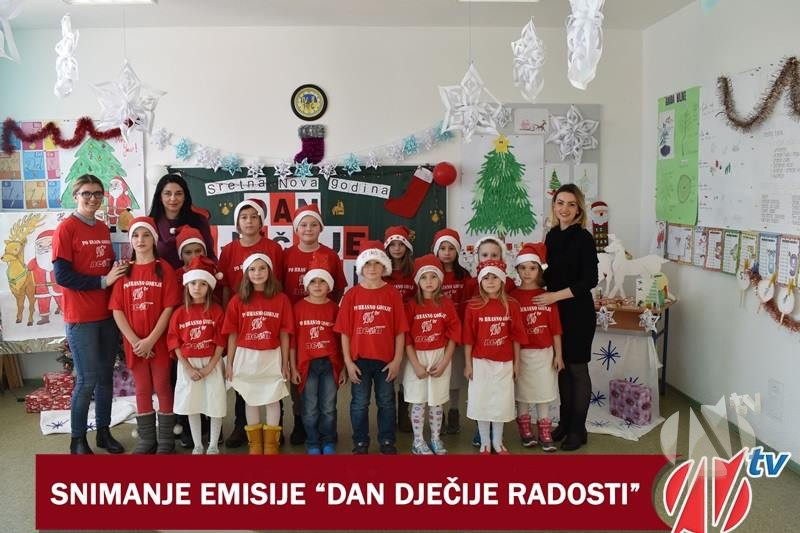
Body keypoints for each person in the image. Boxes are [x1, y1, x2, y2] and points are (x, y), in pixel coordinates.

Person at [52, 174, 128, 455]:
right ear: (76, 196)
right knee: (87, 380)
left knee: (106, 377)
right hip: (81, 317)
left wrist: (116, 272)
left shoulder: (101, 227)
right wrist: (103, 281)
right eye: (87, 193)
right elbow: (62, 276)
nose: (93, 198)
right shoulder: (66, 228)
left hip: (106, 314)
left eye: (97, 193)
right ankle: (77, 440)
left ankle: (104, 433)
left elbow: (104, 265)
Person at [109, 217, 182, 454]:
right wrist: (135, 341)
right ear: (131, 240)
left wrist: (150, 340)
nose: (140, 240)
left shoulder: (164, 269)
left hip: (158, 341)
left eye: (146, 235)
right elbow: (117, 309)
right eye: (136, 235)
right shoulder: (125, 271)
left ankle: (166, 439)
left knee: (162, 386)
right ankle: (147, 439)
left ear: (154, 239)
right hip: (135, 344)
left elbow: (169, 308)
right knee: (141, 388)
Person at [535, 184, 599, 451]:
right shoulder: (551, 236)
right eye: (560, 203)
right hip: (556, 312)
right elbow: (550, 275)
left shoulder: (584, 238)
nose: (565, 208)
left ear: (579, 209)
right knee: (561, 368)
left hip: (578, 312)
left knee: (577, 369)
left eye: (571, 204)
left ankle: (578, 428)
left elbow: (590, 280)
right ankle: (564, 422)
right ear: (554, 206)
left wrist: (555, 296)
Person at [219, 198, 286, 449]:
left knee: (273, 387)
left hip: (269, 326)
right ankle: (242, 427)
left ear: (261, 221)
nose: (249, 221)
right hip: (243, 327)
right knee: (244, 385)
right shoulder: (229, 250)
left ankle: (275, 433)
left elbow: (279, 283)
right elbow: (226, 288)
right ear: (237, 222)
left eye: (254, 216)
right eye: (244, 217)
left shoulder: (274, 248)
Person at [334, 241, 409, 455]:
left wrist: (397, 360)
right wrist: (348, 362)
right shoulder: (351, 295)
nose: (372, 268)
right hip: (359, 361)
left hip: (386, 361)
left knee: (386, 402)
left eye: (377, 263)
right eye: (367, 263)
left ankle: (387, 440)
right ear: (361, 267)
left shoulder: (392, 294)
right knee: (359, 403)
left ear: (384, 266)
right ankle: (360, 442)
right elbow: (344, 332)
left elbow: (400, 331)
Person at [281, 204, 347, 446]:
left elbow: (338, 289)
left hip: (321, 321)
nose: (308, 229)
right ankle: (300, 423)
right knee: (300, 380)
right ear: (296, 229)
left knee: (326, 393)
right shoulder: (286, 254)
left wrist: (323, 307)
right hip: (295, 323)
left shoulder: (331, 255)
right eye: (303, 224)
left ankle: (325, 431)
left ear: (321, 228)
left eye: (313, 224)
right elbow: (279, 286)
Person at [223, 253, 294, 455]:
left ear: (270, 271)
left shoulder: (281, 299)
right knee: (250, 399)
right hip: (246, 357)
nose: (257, 273)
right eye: (252, 269)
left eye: (262, 268)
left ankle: (271, 445)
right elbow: (232, 335)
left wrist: (286, 363)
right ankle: (255, 444)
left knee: (272, 399)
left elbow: (285, 334)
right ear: (246, 273)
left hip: (272, 356)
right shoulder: (238, 300)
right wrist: (230, 363)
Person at [463, 259, 527, 455]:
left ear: (502, 280)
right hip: (480, 362)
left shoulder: (512, 305)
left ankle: (498, 441)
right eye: (486, 278)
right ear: (480, 281)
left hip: (504, 362)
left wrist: (517, 363)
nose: (490, 282)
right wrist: (468, 364)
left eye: (495, 277)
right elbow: (468, 338)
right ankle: (485, 442)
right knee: (481, 401)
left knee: (501, 402)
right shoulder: (473, 306)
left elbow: (516, 337)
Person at [167, 256, 227, 455]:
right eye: (193, 283)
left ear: (209, 287)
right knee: (192, 404)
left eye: (203, 283)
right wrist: (188, 367)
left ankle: (213, 444)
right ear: (187, 285)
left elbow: (221, 341)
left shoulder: (216, 311)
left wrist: (210, 366)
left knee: (215, 403)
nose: (197, 288)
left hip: (212, 363)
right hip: (188, 365)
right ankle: (198, 444)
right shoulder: (179, 313)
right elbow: (174, 342)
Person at [403, 254, 461, 455]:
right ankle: (418, 441)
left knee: (437, 402)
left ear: (440, 280)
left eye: (433, 276)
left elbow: (454, 334)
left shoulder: (446, 304)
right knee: (418, 401)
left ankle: (435, 438)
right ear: (417, 280)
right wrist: (416, 365)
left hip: (439, 356)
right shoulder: (411, 305)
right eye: (424, 277)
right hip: (417, 358)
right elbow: (406, 338)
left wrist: (445, 362)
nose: (429, 281)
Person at [510, 243, 565, 452]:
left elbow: (555, 329)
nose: (527, 272)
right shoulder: (513, 297)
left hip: (544, 354)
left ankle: (544, 431)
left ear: (539, 270)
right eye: (523, 268)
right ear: (517, 270)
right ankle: (525, 429)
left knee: (544, 392)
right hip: (522, 354)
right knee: (523, 394)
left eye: (532, 268)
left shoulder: (547, 297)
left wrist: (558, 355)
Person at [289, 253, 344, 455]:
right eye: (313, 281)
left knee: (328, 406)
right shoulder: (298, 308)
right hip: (307, 364)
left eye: (322, 281)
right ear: (306, 285)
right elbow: (293, 341)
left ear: (329, 286)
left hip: (329, 363)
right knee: (310, 407)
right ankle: (312, 442)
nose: (318, 285)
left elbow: (341, 341)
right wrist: (293, 367)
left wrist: (343, 368)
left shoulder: (334, 309)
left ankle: (328, 440)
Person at [432, 228, 471, 435]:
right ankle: (439, 413)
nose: (447, 253)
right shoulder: (431, 274)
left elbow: (468, 305)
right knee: (438, 375)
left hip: (457, 334)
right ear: (436, 251)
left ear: (457, 251)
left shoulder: (464, 276)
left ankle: (454, 410)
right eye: (443, 248)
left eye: (451, 248)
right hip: (436, 334)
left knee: (455, 376)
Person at [383, 225, 415, 433]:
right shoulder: (381, 271)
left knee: (405, 373)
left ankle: (404, 413)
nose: (396, 248)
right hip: (387, 329)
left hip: (410, 328)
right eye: (392, 245)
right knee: (390, 372)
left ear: (407, 247)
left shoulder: (413, 271)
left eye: (400, 244)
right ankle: (389, 413)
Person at [148, 173, 216, 269]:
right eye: (167, 193)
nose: (173, 198)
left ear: (185, 196)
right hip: (159, 277)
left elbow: (210, 255)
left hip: (193, 277)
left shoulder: (200, 221)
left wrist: (214, 272)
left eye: (178, 193)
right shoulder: (149, 224)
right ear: (160, 197)